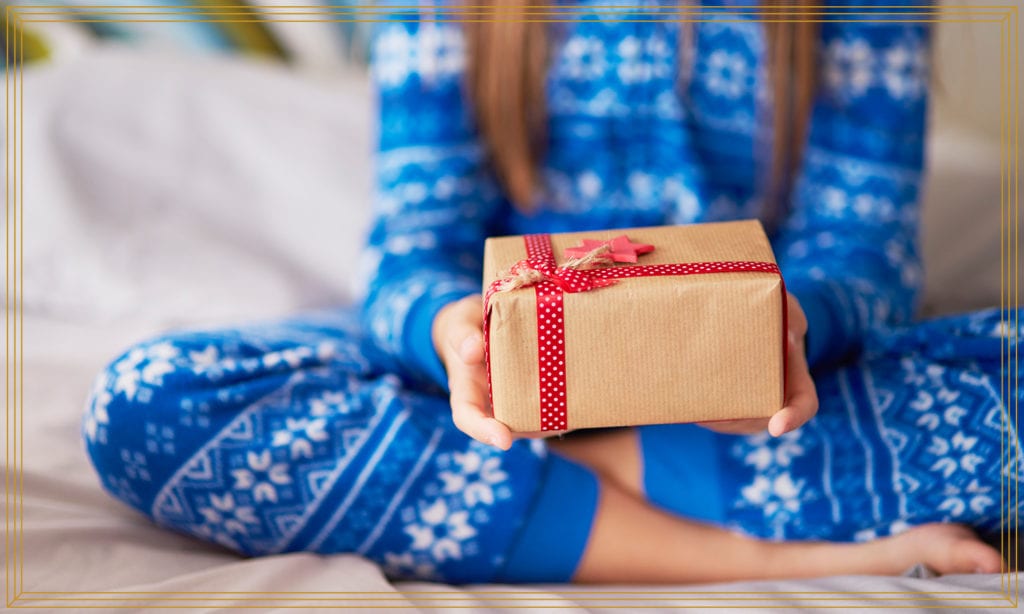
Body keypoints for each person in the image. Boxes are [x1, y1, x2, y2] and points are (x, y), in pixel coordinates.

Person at [84, 1, 1015, 585]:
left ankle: (558, 502)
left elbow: (866, 251)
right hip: (496, 397)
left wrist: (790, 331)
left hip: (765, 398)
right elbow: (413, 249)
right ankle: (764, 552)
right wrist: (453, 340)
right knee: (149, 401)